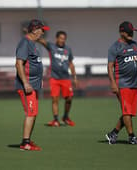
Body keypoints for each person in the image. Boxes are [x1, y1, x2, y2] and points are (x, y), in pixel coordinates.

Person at [106, 21, 137, 145]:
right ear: (121, 32)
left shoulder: (135, 45)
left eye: (132, 31)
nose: (131, 34)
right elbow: (109, 66)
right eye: (128, 32)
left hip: (134, 84)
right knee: (127, 111)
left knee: (129, 112)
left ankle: (113, 133)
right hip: (122, 84)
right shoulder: (115, 47)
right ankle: (132, 136)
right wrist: (113, 83)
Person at [15, 19, 50, 151]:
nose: (43, 33)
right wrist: (25, 83)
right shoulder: (25, 43)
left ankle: (27, 140)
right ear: (35, 30)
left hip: (33, 85)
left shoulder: (32, 43)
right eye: (42, 30)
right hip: (26, 86)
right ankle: (25, 143)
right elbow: (18, 64)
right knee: (31, 113)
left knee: (33, 113)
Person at [38, 31, 78, 127]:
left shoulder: (68, 49)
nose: (62, 40)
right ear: (56, 38)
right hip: (54, 78)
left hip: (66, 78)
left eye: (64, 39)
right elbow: (41, 41)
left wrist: (74, 77)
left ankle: (65, 117)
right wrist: (30, 33)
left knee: (69, 99)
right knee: (55, 99)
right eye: (60, 38)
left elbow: (71, 64)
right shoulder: (52, 47)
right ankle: (55, 120)